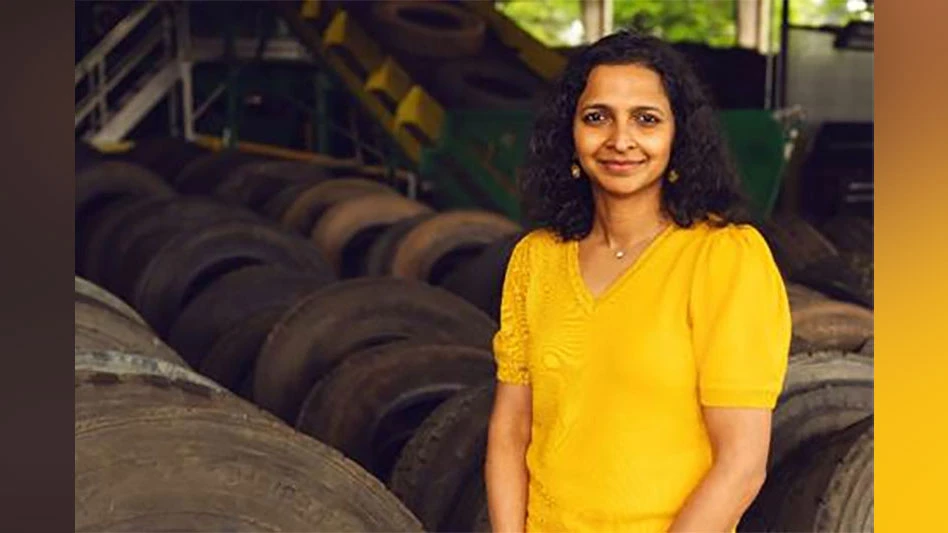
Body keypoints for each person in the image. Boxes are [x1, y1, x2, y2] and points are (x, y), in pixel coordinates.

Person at [484, 30, 791, 533]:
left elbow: (741, 463)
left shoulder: (723, 259)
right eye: (596, 117)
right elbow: (510, 429)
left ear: (679, 137)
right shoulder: (535, 260)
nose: (620, 140)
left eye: (646, 119)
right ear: (570, 133)